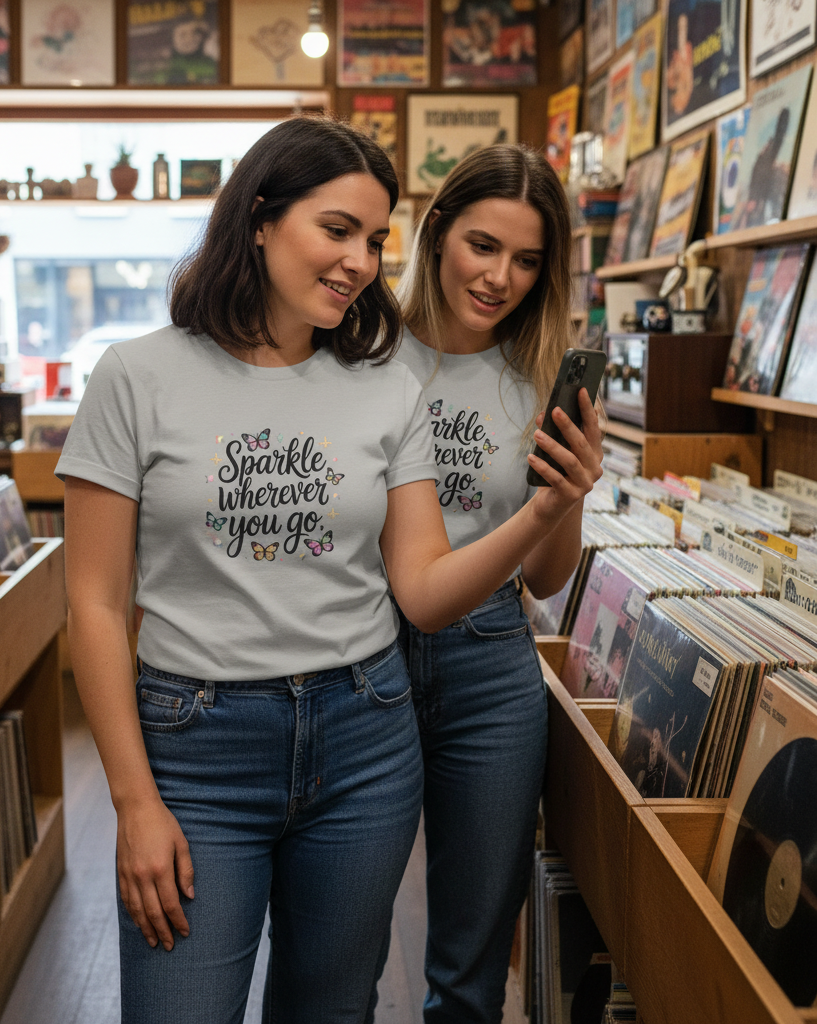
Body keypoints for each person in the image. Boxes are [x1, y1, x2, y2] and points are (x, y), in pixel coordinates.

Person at [57, 118, 600, 1024]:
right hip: (200, 741)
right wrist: (134, 801)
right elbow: (95, 604)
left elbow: (423, 591)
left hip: (362, 732)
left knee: (331, 1008)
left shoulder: (386, 386)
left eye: (376, 238)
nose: (358, 259)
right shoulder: (134, 376)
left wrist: (548, 507)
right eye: (337, 228)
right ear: (260, 218)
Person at [384, 144, 604, 1024]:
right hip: (365, 659)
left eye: (527, 259)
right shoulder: (361, 353)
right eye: (483, 246)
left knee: (474, 966)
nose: (500, 277)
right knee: (338, 953)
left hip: (491, 670)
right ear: (437, 232)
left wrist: (565, 498)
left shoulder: (538, 373)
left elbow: (546, 577)